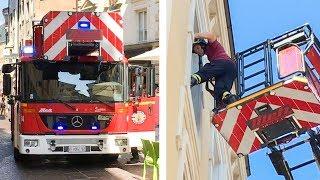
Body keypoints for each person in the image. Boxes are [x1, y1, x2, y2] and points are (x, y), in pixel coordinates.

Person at [191, 32, 238, 109]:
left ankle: (193, 80)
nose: (197, 52)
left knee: (206, 69)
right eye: (196, 52)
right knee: (220, 89)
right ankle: (229, 99)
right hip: (231, 70)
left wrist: (195, 35)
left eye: (197, 48)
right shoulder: (210, 55)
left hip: (223, 62)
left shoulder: (211, 45)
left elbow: (212, 35)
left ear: (202, 45)